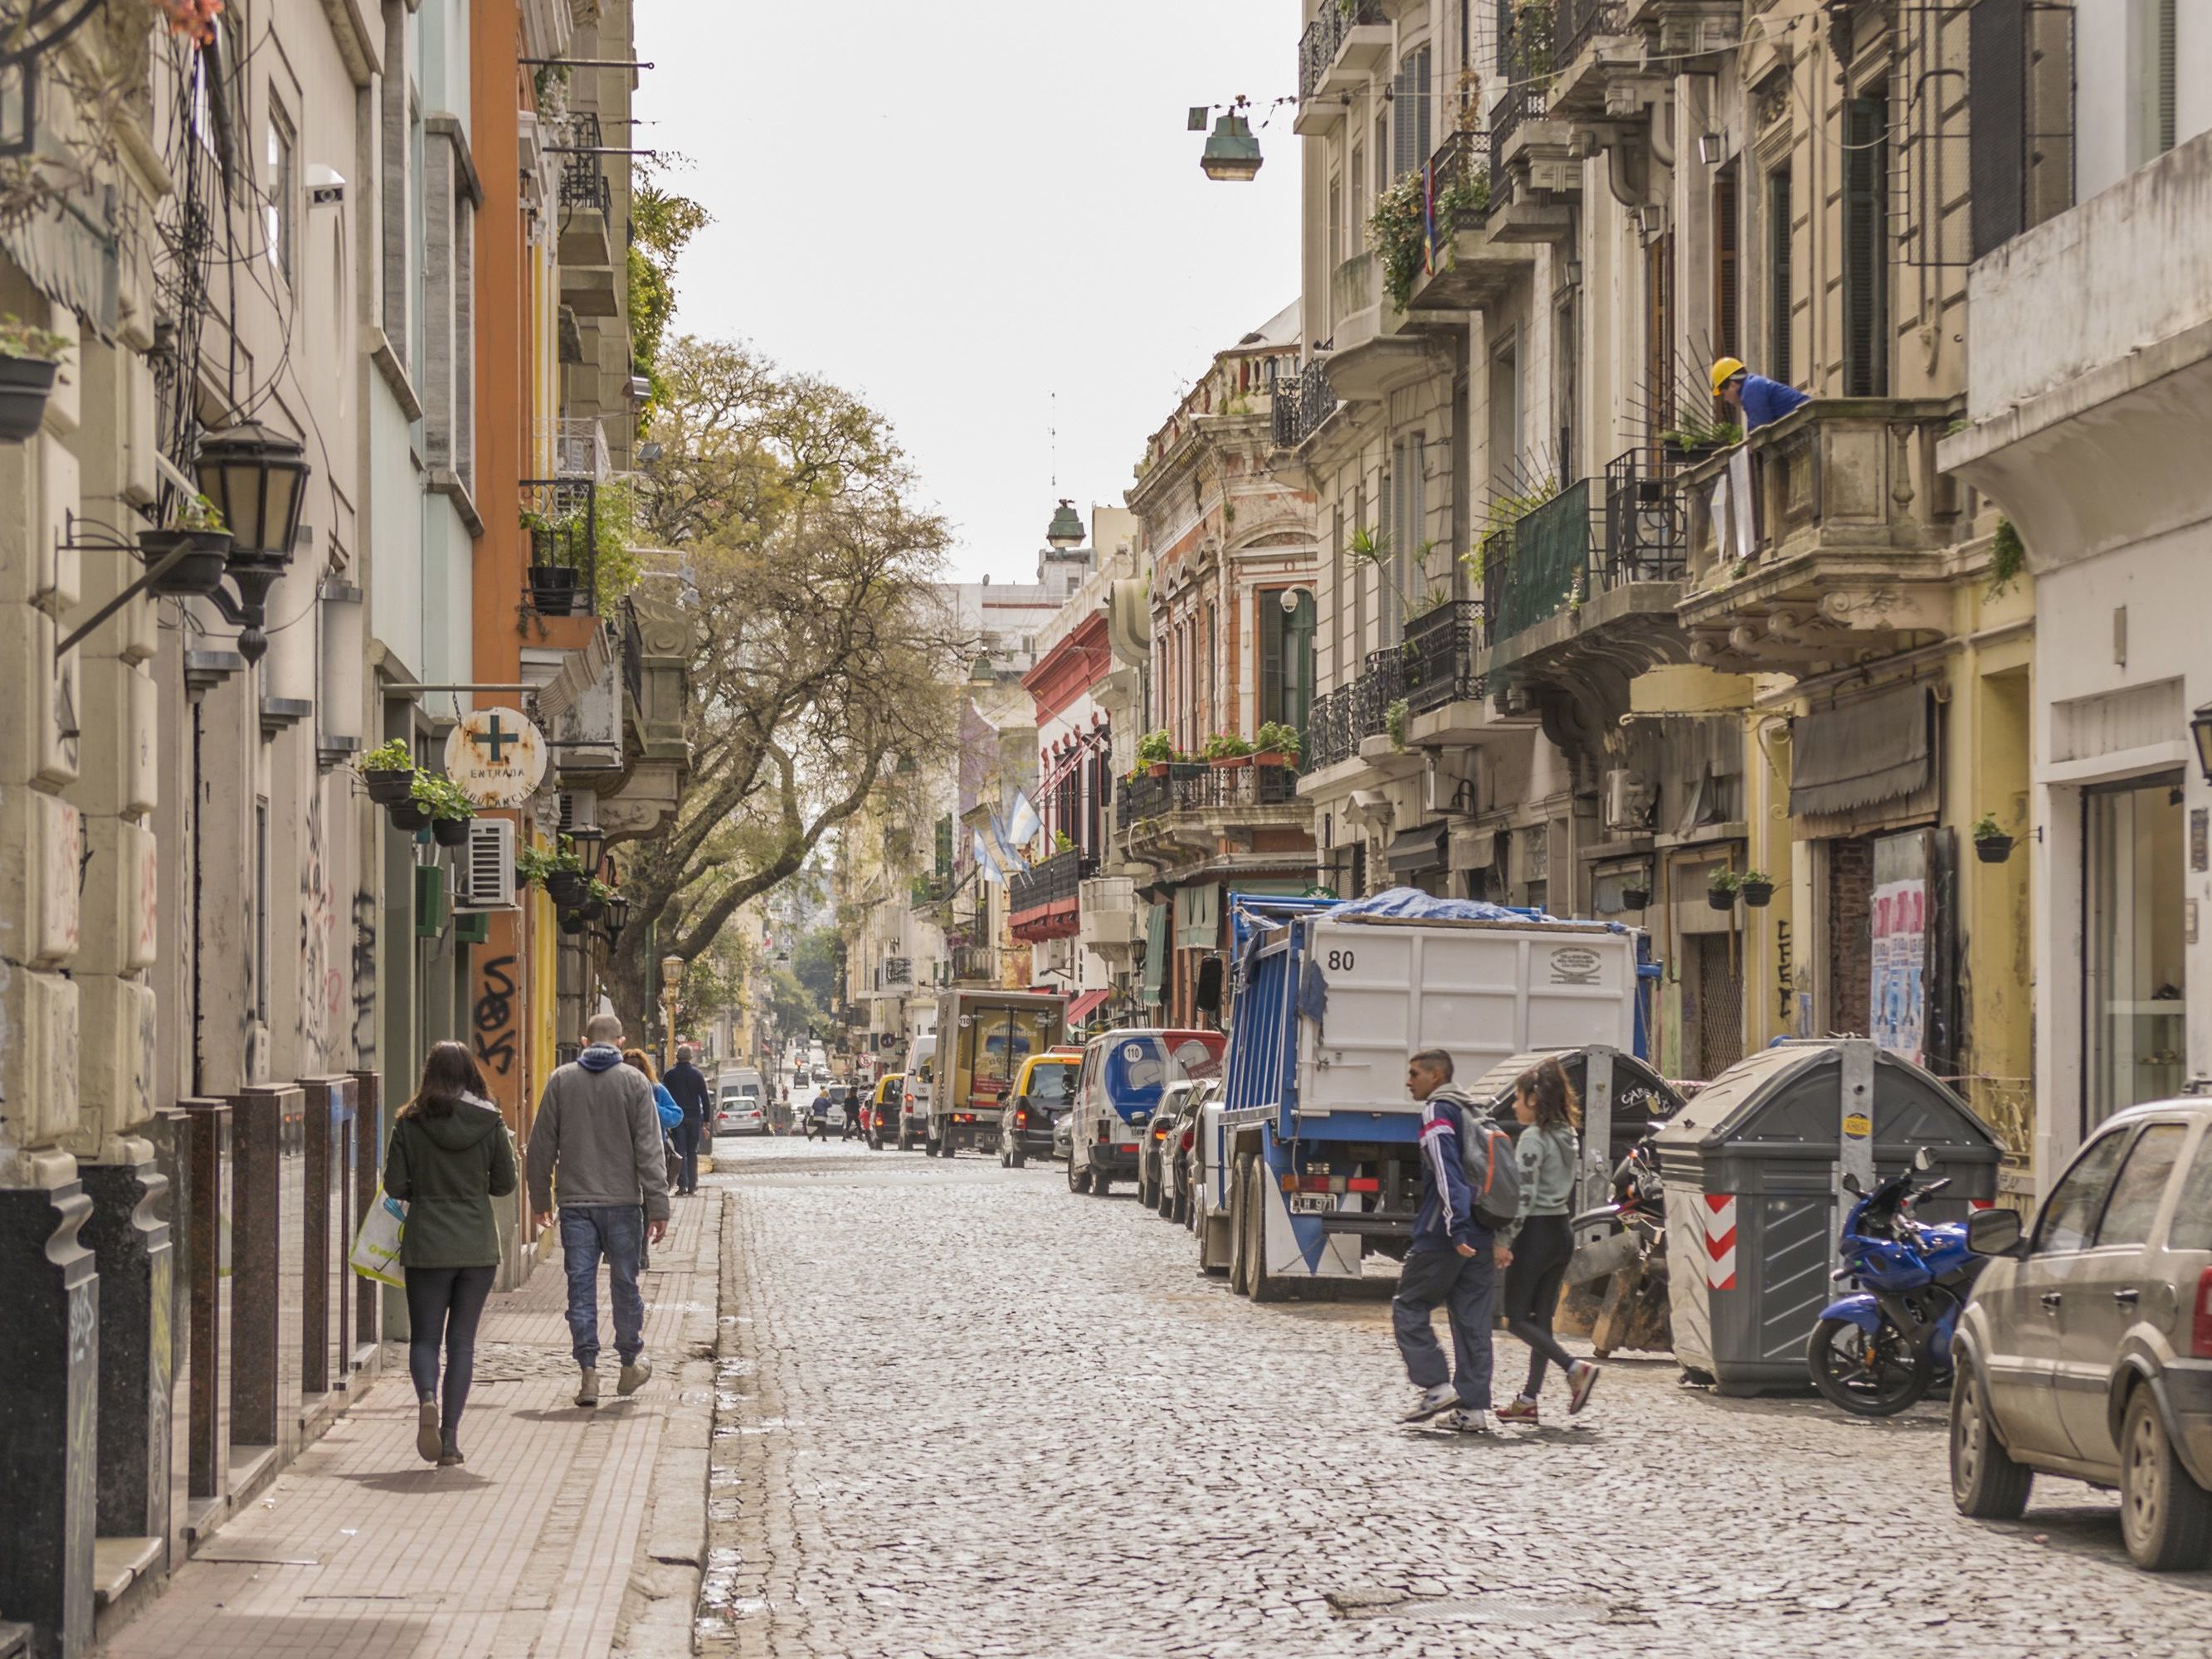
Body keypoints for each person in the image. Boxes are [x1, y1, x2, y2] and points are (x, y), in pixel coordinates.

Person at [382, 1041, 517, 1467]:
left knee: (425, 1338)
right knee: (461, 1343)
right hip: (477, 1245)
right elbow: (505, 1184)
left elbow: (395, 1186)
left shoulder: (409, 1123)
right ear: (470, 1075)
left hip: (427, 1245)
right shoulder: (490, 1121)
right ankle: (451, 1438)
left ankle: (426, 1399)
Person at [529, 1014, 670, 1408]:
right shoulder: (636, 1082)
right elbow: (650, 1151)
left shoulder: (561, 1080)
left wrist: (540, 1200)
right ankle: (628, 1366)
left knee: (581, 1288)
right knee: (625, 1286)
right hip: (624, 1203)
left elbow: (541, 1145)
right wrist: (658, 1205)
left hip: (575, 1204)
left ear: (583, 1040)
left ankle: (588, 1373)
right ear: (621, 1044)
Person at [1391, 1048, 1497, 1436]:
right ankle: (1473, 1409)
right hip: (1485, 1232)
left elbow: (1446, 1171)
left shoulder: (1438, 1112)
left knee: (1409, 1305)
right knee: (1473, 1322)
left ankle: (1436, 1387)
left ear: (1435, 1076)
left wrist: (1457, 1229)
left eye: (1414, 1074)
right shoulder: (1475, 1110)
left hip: (1445, 1235)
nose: (1408, 1081)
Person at [1493, 1058, 1602, 1425]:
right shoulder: (1567, 1135)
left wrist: (1505, 1239)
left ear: (1534, 1100)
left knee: (1517, 1320)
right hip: (1561, 1231)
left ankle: (1574, 1368)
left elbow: (1524, 1196)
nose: (1514, 1105)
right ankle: (1528, 1400)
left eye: (1518, 1098)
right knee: (1540, 1322)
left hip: (1535, 1234)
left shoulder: (1534, 1139)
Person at [625, 1049, 683, 1193]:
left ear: (643, 1070)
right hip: (624, 1152)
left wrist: (652, 1106)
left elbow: (676, 1116)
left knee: (651, 1194)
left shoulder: (656, 1090)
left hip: (653, 1151)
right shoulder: (616, 1091)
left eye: (635, 1068)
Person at [1710, 356, 1809, 434]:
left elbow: (1760, 431)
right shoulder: (1753, 385)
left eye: (1723, 394)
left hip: (1808, 423)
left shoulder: (1751, 389)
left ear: (1732, 385)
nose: (1725, 399)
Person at [663, 1044, 710, 1194]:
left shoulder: (670, 1075)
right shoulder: (697, 1075)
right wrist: (706, 1121)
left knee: (680, 1150)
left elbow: (664, 1098)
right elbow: (705, 1098)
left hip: (677, 1118)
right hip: (694, 1116)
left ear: (677, 1056)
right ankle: (692, 1185)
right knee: (692, 1151)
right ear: (691, 1057)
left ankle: (681, 1185)